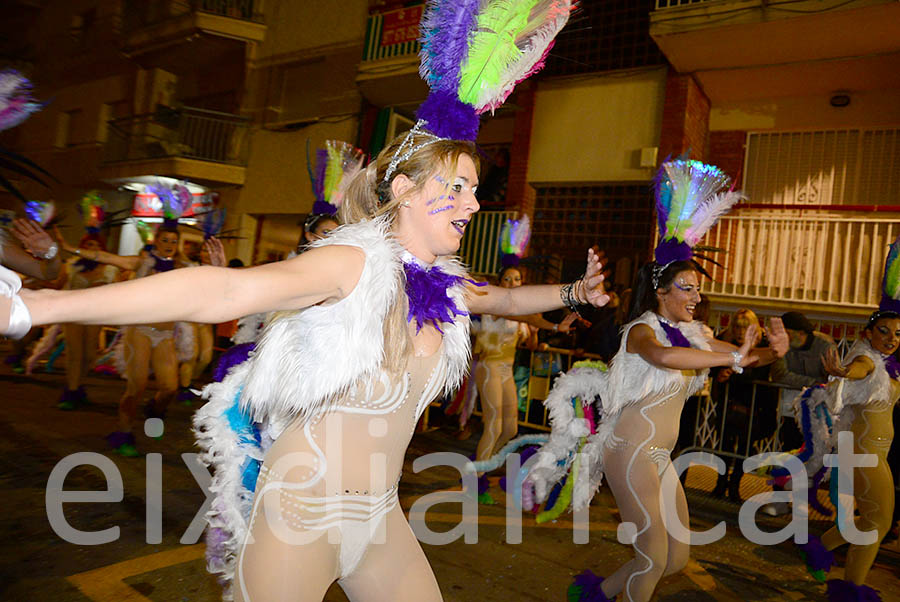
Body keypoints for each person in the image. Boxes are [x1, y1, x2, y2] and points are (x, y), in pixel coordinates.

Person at [0, 125, 608, 602]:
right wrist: (39, 304)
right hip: (302, 514)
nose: (473, 202)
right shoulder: (350, 264)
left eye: (476, 187)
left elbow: (502, 298)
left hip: (379, 518)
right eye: (457, 186)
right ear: (400, 190)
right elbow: (224, 292)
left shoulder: (445, 286)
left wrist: (574, 294)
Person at [527, 159, 789, 602]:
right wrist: (735, 355)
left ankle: (594, 596)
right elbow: (665, 357)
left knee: (676, 558)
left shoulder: (696, 335)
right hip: (628, 452)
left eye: (697, 288)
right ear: (662, 292)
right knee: (651, 557)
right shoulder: (641, 332)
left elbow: (735, 355)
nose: (696, 296)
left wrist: (772, 352)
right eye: (686, 288)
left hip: (660, 455)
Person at [795, 239, 900, 602]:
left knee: (866, 521)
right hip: (866, 455)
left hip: (865, 453)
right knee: (877, 522)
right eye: (884, 331)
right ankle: (851, 590)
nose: (891, 339)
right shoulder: (867, 359)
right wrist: (842, 370)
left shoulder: (890, 365)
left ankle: (820, 548)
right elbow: (858, 370)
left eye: (898, 333)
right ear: (869, 333)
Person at [472, 264, 577, 503]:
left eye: (516, 279)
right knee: (494, 427)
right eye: (507, 279)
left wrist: (539, 336)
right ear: (500, 283)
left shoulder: (520, 316)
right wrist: (550, 323)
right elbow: (526, 315)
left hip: (507, 370)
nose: (511, 284)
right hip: (489, 368)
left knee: (510, 429)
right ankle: (476, 481)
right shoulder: (496, 302)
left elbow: (530, 342)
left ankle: (482, 464)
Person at [709, 308, 775, 503]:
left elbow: (763, 372)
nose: (739, 331)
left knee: (743, 449)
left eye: (744, 327)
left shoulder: (763, 346)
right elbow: (711, 366)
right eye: (737, 327)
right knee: (723, 446)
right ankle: (720, 484)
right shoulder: (724, 340)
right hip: (727, 402)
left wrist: (736, 373)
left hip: (752, 405)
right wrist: (720, 375)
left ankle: (735, 485)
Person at [56, 232, 118, 409]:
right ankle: (71, 391)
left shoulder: (110, 270)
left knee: (89, 355)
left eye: (97, 246)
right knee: (75, 354)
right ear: (83, 247)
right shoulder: (71, 266)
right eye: (90, 245)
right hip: (73, 313)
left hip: (96, 315)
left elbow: (119, 291)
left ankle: (78, 385)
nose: (93, 249)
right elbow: (57, 284)